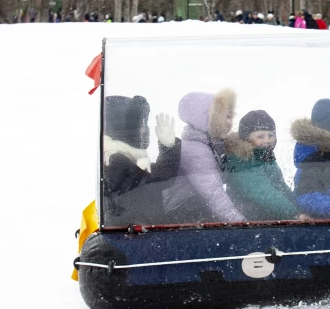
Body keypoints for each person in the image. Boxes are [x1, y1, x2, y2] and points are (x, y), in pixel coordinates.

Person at [163, 89, 246, 223]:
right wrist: (242, 223)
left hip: (196, 209)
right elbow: (213, 193)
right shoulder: (195, 150)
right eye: (224, 116)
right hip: (184, 213)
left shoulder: (208, 146)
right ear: (208, 118)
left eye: (231, 117)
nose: (229, 122)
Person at [103, 95, 181, 224]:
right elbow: (162, 177)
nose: (144, 129)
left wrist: (168, 147)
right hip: (136, 237)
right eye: (139, 125)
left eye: (144, 124)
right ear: (122, 130)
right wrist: (168, 149)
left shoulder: (124, 156)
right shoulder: (116, 161)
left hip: (140, 233)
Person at [224, 111, 301, 221]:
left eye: (271, 135)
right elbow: (262, 193)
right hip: (249, 224)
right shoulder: (242, 160)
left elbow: (280, 187)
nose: (267, 140)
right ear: (246, 139)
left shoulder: (264, 158)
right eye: (260, 136)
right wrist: (293, 214)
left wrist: (300, 209)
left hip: (268, 220)